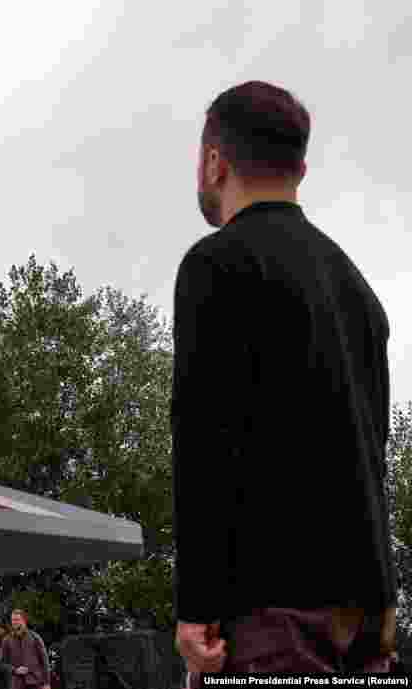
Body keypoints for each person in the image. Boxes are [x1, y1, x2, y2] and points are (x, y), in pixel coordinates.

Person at [172, 80, 397, 684]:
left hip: (275, 614)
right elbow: (373, 452)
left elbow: (205, 442)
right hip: (369, 613)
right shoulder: (358, 290)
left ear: (215, 162)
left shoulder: (216, 264)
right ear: (299, 166)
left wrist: (195, 609)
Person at [0, 610, 47, 689]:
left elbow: (44, 661)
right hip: (16, 684)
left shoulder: (35, 637)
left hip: (35, 683)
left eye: (17, 620)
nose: (14, 622)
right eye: (13, 620)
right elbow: (1, 663)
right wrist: (15, 670)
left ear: (24, 621)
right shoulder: (6, 640)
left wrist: (46, 683)